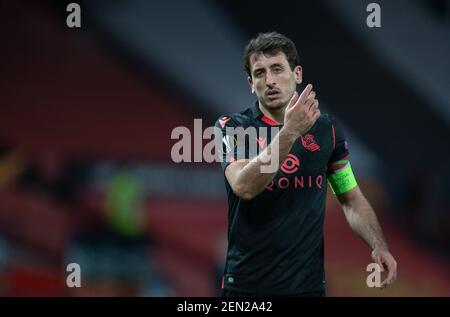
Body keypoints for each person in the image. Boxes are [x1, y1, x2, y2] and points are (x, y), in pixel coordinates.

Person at [215, 31, 397, 297]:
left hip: (307, 288)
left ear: (297, 74)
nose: (270, 80)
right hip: (247, 289)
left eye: (277, 69)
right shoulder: (232, 127)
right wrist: (290, 132)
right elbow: (244, 186)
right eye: (260, 73)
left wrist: (379, 245)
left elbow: (350, 198)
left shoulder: (327, 131)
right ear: (250, 84)